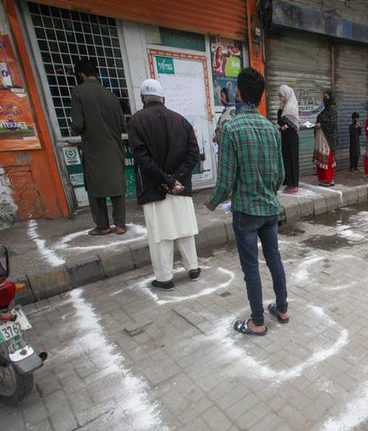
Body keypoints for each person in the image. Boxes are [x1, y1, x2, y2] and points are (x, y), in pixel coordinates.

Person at [205, 68, 288, 336]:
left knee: (251, 267)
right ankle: (283, 309)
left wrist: (213, 201)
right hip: (269, 209)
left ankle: (258, 322)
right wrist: (268, 190)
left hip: (246, 212)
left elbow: (226, 180)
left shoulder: (230, 129)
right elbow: (281, 175)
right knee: (274, 259)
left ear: (238, 93)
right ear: (262, 98)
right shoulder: (272, 129)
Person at [128, 79, 201, 290]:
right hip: (180, 188)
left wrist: (165, 178)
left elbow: (141, 157)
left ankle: (165, 278)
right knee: (184, 229)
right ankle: (193, 268)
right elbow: (193, 154)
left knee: (160, 235)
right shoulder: (181, 121)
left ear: (143, 99)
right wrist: (175, 177)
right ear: (163, 99)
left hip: (154, 189)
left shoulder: (136, 121)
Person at [71, 59, 127, 236]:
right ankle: (120, 225)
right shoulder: (111, 95)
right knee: (117, 187)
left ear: (81, 74)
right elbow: (122, 124)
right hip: (114, 147)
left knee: (95, 190)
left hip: (93, 150)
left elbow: (78, 125)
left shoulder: (78, 92)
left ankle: (103, 226)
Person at [277, 84, 300, 193]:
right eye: (279, 97)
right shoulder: (286, 107)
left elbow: (283, 123)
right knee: (286, 158)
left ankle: (294, 184)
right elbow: (282, 124)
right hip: (286, 137)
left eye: (281, 96)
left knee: (293, 159)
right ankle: (289, 182)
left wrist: (280, 109)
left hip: (292, 137)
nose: (280, 99)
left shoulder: (290, 107)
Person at [314, 91, 338, 187]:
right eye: (324, 97)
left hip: (328, 139)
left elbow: (332, 123)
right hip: (321, 138)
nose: (325, 98)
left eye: (327, 96)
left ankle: (328, 179)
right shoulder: (325, 110)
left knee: (327, 159)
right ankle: (322, 178)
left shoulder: (333, 110)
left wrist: (321, 124)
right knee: (321, 158)